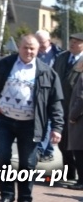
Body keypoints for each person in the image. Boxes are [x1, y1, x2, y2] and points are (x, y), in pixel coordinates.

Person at [0, 34, 64, 202]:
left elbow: (55, 102)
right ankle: (6, 196)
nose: (28, 51)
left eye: (32, 48)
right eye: (25, 47)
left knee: (27, 163)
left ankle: (25, 198)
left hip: (30, 124)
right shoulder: (3, 64)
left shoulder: (46, 72)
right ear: (19, 47)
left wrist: (57, 127)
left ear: (38, 50)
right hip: (5, 120)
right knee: (3, 157)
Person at [54, 32, 83, 183]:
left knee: (78, 145)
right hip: (61, 107)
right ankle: (69, 171)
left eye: (77, 42)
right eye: (71, 40)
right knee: (63, 143)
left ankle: (80, 176)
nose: (72, 44)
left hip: (78, 110)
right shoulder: (61, 58)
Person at [35, 29, 64, 163]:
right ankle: (42, 150)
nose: (39, 46)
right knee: (43, 122)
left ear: (49, 41)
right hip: (38, 92)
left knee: (51, 122)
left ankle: (47, 150)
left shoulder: (58, 54)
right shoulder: (34, 53)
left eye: (42, 43)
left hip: (54, 91)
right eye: (37, 42)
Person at [66, 57, 83, 190]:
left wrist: (72, 116)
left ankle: (81, 182)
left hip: (80, 121)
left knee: (79, 152)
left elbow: (81, 99)